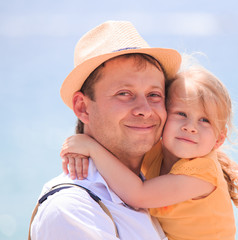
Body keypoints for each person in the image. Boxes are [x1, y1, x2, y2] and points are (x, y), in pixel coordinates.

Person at [61, 62, 238, 240]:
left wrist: (90, 147)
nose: (191, 127)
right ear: (164, 115)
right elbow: (118, 143)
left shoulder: (201, 173)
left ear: (219, 139)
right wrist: (79, 146)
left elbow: (138, 195)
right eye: (181, 114)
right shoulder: (156, 151)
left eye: (205, 120)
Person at [28, 20, 181, 240]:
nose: (145, 110)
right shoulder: (72, 209)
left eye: (154, 95)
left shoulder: (153, 192)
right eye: (124, 93)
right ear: (82, 107)